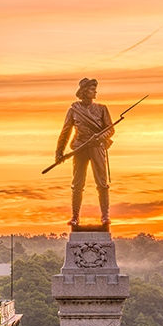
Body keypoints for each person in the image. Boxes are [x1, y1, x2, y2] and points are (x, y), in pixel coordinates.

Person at [55, 78, 113, 227]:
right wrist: (59, 152)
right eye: (92, 89)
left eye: (95, 88)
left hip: (97, 147)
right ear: (84, 91)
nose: (95, 91)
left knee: (102, 182)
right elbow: (65, 132)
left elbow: (110, 129)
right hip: (80, 147)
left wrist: (100, 136)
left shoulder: (102, 109)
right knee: (77, 183)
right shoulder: (74, 110)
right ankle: (75, 217)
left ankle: (105, 216)